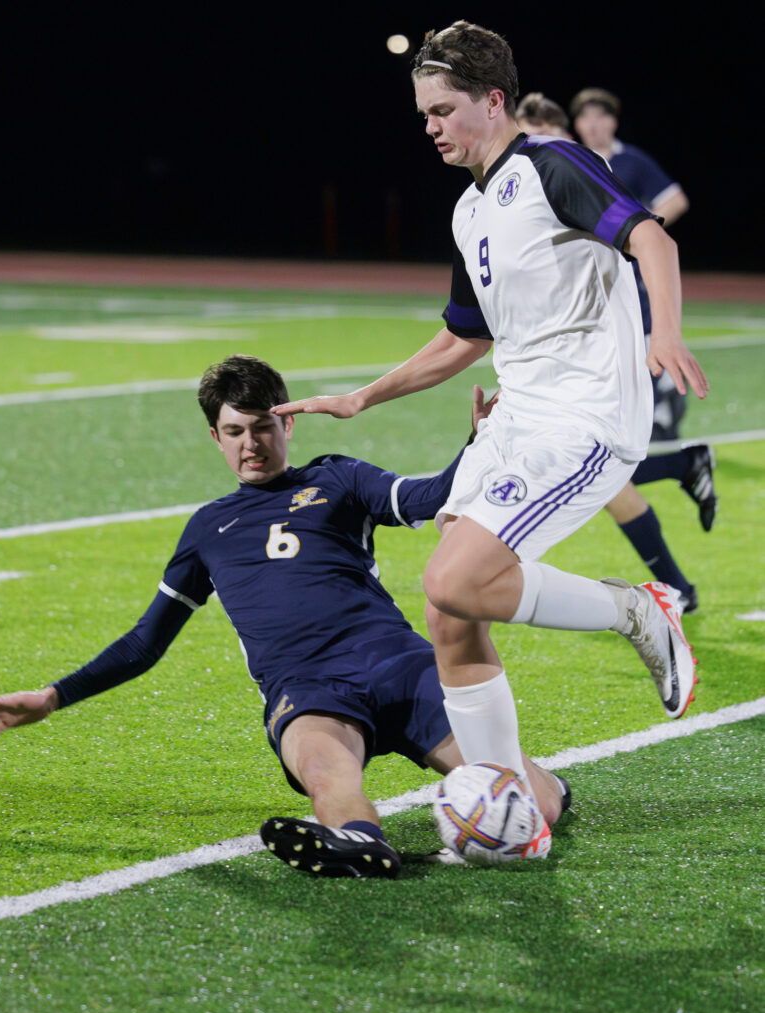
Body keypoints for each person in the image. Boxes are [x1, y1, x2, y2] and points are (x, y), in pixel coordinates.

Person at [272, 21, 708, 861]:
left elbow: (651, 235)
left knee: (457, 576)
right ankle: (517, 816)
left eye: (442, 109)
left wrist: (666, 334)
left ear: (494, 101)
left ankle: (637, 608)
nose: (429, 125)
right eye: (422, 112)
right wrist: (365, 396)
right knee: (447, 616)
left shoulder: (550, 164)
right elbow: (464, 337)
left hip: (582, 420)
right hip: (514, 418)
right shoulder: (469, 206)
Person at [0, 355, 569, 880]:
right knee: (326, 773)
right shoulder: (207, 529)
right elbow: (146, 642)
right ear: (215, 437)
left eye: (262, 427)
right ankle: (361, 843)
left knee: (528, 808)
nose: (250, 444)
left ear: (288, 421)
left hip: (399, 666)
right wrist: (52, 697)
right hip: (307, 691)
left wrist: (480, 444)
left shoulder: (337, 477)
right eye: (235, 432)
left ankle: (551, 790)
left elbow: (426, 498)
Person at [516, 92, 712, 612]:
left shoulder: (588, 168)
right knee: (598, 473)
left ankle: (681, 480)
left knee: (591, 466)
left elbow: (660, 228)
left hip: (611, 337)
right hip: (568, 349)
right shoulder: (520, 187)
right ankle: (679, 581)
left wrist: (663, 329)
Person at [571, 86, 717, 556]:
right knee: (587, 456)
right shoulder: (569, 161)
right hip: (588, 310)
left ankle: (675, 440)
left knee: (591, 458)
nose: (592, 125)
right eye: (584, 118)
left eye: (600, 117)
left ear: (613, 122)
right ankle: (682, 462)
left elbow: (674, 200)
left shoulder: (629, 162)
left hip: (632, 302)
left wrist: (635, 231)